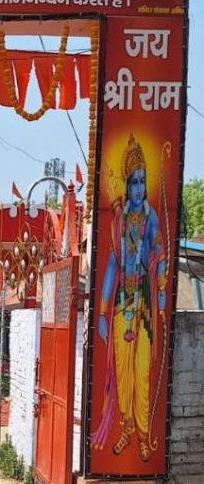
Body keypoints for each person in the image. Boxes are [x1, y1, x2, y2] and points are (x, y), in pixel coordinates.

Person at [92, 133, 167, 463]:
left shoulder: (151, 218)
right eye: (133, 182)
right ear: (126, 183)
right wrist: (102, 312)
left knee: (143, 373)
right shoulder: (118, 222)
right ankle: (125, 429)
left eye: (143, 181)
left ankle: (144, 436)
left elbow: (160, 256)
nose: (138, 188)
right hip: (123, 303)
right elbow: (112, 266)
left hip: (145, 307)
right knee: (122, 374)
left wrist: (162, 289)